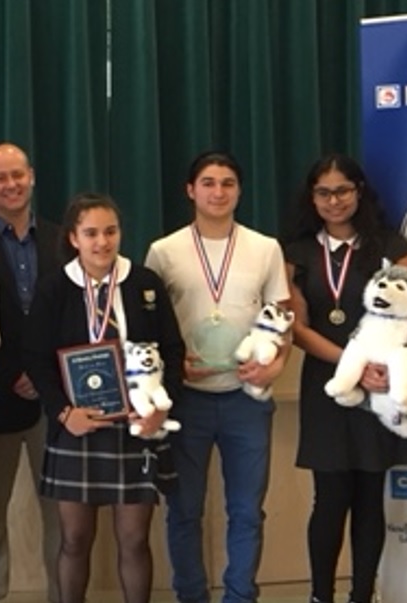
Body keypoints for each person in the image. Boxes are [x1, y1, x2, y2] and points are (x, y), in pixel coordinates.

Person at [144, 151, 290, 603]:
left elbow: (282, 317)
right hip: (185, 400)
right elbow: (148, 325)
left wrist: (276, 365)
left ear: (239, 191)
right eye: (208, 182)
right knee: (184, 511)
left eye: (228, 183)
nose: (218, 192)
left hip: (247, 397)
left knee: (246, 512)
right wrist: (169, 365)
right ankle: (191, 596)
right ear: (191, 190)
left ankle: (239, 597)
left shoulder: (265, 248)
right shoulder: (164, 251)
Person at [25, 192, 184, 603]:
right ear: (74, 238)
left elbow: (174, 350)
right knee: (75, 539)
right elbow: (37, 360)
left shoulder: (145, 282)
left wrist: (160, 412)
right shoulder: (55, 288)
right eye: (91, 233)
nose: (102, 242)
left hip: (137, 426)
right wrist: (63, 413)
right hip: (77, 427)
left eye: (110, 231)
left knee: (134, 540)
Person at [281, 155, 407, 603]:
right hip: (330, 384)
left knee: (369, 498)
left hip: (383, 384)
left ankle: (363, 595)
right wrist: (354, 364)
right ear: (312, 198)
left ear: (359, 191)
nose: (334, 200)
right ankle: (321, 595)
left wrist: (404, 365)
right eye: (323, 192)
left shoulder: (391, 245)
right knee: (329, 499)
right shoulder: (298, 250)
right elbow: (298, 327)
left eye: (343, 190)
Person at [0, 142, 63, 603]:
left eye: (18, 175)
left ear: (31, 177)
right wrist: (12, 371)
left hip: (55, 400)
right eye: (0, 178)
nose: (11, 185)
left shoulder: (62, 239)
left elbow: (74, 317)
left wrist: (43, 373)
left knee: (63, 517)